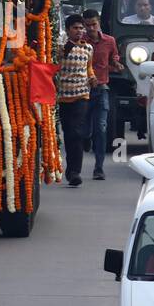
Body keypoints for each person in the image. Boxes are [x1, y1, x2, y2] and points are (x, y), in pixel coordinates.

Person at [56, 14, 97, 186]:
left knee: (76, 133)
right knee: (69, 134)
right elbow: (57, 62)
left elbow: (89, 68)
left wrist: (93, 78)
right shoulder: (61, 48)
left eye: (81, 28)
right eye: (75, 28)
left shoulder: (88, 48)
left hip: (82, 95)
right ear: (68, 30)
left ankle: (75, 172)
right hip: (64, 97)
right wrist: (67, 46)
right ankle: (70, 169)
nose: (79, 31)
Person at [82, 10, 122, 181]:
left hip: (101, 89)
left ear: (99, 23)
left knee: (101, 128)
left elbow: (114, 59)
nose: (91, 28)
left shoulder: (109, 41)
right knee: (84, 130)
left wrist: (116, 65)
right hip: (82, 91)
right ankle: (86, 138)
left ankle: (99, 168)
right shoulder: (80, 41)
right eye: (88, 25)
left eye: (94, 24)